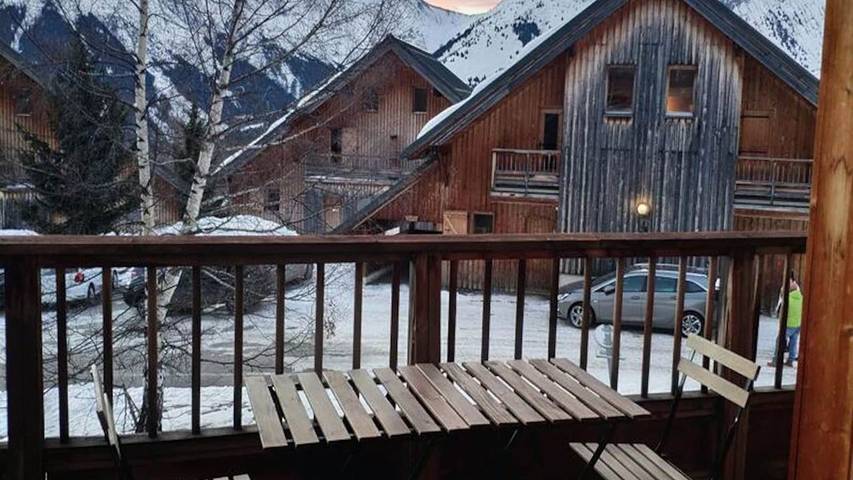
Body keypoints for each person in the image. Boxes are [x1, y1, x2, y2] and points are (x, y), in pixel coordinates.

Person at [769, 272, 803, 367]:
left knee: (779, 340)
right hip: (798, 324)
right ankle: (790, 360)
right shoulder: (801, 298)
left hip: (788, 324)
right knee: (793, 342)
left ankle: (776, 360)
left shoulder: (787, 299)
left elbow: (782, 312)